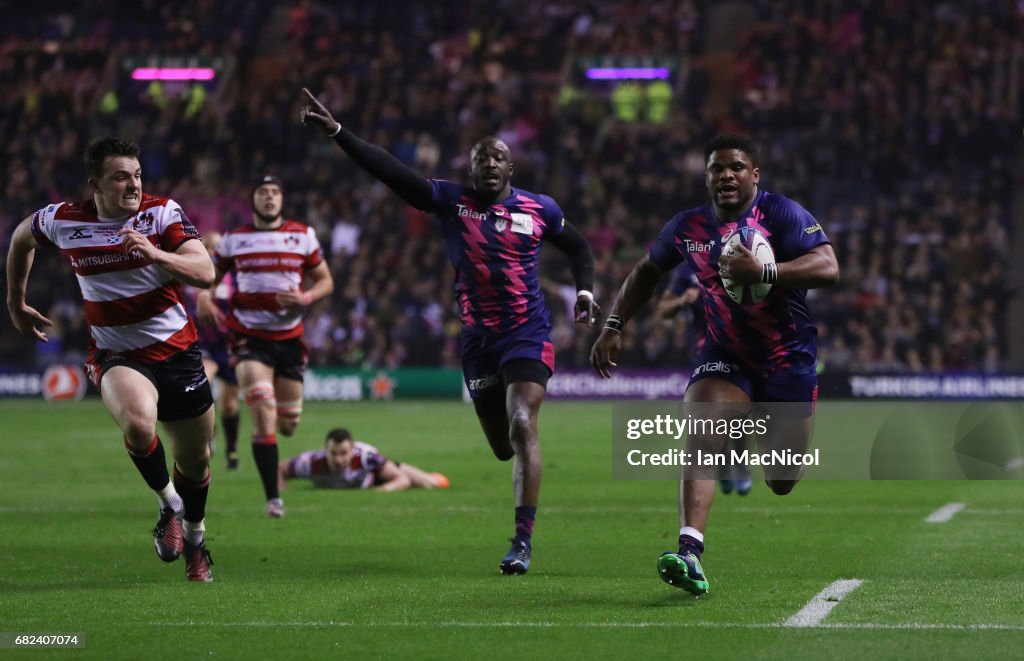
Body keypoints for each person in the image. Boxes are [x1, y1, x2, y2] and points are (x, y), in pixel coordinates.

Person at [299, 87, 600, 575]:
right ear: (470, 169)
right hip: (478, 342)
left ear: (510, 169)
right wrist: (339, 133)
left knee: (523, 423)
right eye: (480, 158)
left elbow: (580, 248)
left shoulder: (540, 208)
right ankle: (518, 488)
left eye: (498, 157)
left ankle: (522, 541)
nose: (489, 164)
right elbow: (391, 172)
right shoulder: (450, 201)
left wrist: (585, 290)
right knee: (504, 446)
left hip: (527, 331)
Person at [590, 133, 839, 595]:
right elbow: (647, 271)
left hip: (788, 359)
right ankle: (690, 552)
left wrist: (765, 272)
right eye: (717, 168)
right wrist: (614, 323)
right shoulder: (687, 228)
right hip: (725, 356)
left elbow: (828, 266)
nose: (727, 174)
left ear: (754, 175)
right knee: (703, 431)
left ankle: (747, 436)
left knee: (782, 481)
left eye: (737, 167)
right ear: (706, 177)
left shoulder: (782, 213)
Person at [6, 137, 217, 581]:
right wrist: (15, 302)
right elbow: (21, 238)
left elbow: (206, 272)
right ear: (95, 185)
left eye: (137, 175)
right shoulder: (64, 219)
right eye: (121, 176)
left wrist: (155, 252)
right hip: (116, 353)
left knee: (196, 461)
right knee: (139, 424)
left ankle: (196, 537)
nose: (133, 185)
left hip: (177, 353)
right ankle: (169, 505)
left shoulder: (162, 214)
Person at [197, 175, 334, 518]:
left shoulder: (302, 235)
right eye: (263, 192)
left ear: (282, 199)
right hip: (248, 338)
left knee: (287, 423)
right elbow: (209, 276)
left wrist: (304, 297)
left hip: (289, 340)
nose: (269, 197)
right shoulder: (234, 240)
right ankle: (273, 498)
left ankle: (271, 451)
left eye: (275, 192)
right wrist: (204, 296)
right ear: (254, 199)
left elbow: (326, 281)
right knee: (262, 408)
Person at [656, 265, 752, 496]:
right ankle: (726, 464)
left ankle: (737, 464)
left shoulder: (742, 255)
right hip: (705, 352)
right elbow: (663, 310)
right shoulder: (687, 269)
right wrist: (681, 300)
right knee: (713, 417)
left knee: (739, 413)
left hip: (742, 346)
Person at [190, 231, 242, 469]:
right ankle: (207, 434)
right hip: (203, 344)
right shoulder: (190, 275)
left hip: (228, 345)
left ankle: (232, 449)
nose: (213, 252)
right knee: (202, 384)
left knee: (230, 404)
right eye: (209, 247)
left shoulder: (235, 277)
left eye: (218, 247)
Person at [278, 428, 450, 492]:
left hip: (380, 474)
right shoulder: (310, 463)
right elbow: (278, 469)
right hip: (361, 483)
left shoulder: (367, 457)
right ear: (325, 451)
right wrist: (281, 489)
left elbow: (401, 479)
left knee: (433, 484)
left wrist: (383, 490)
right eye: (334, 453)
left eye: (344, 453)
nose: (338, 459)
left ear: (352, 450)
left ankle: (431, 476)